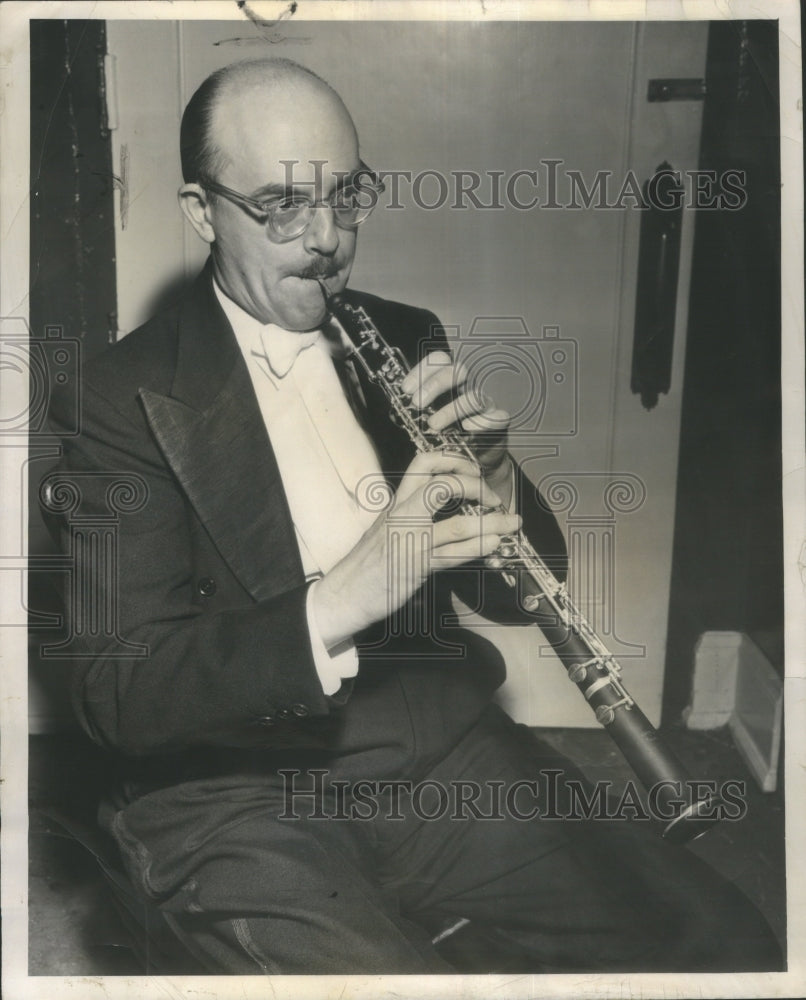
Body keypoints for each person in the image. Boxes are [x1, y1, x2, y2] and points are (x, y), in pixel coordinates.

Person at [44, 57, 782, 975]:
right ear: (202, 213)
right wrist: (344, 595)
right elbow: (116, 695)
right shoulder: (117, 397)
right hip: (224, 787)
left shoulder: (401, 332)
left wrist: (497, 483)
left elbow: (516, 598)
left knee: (723, 947)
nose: (325, 240)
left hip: (431, 747)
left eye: (346, 196)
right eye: (280, 206)